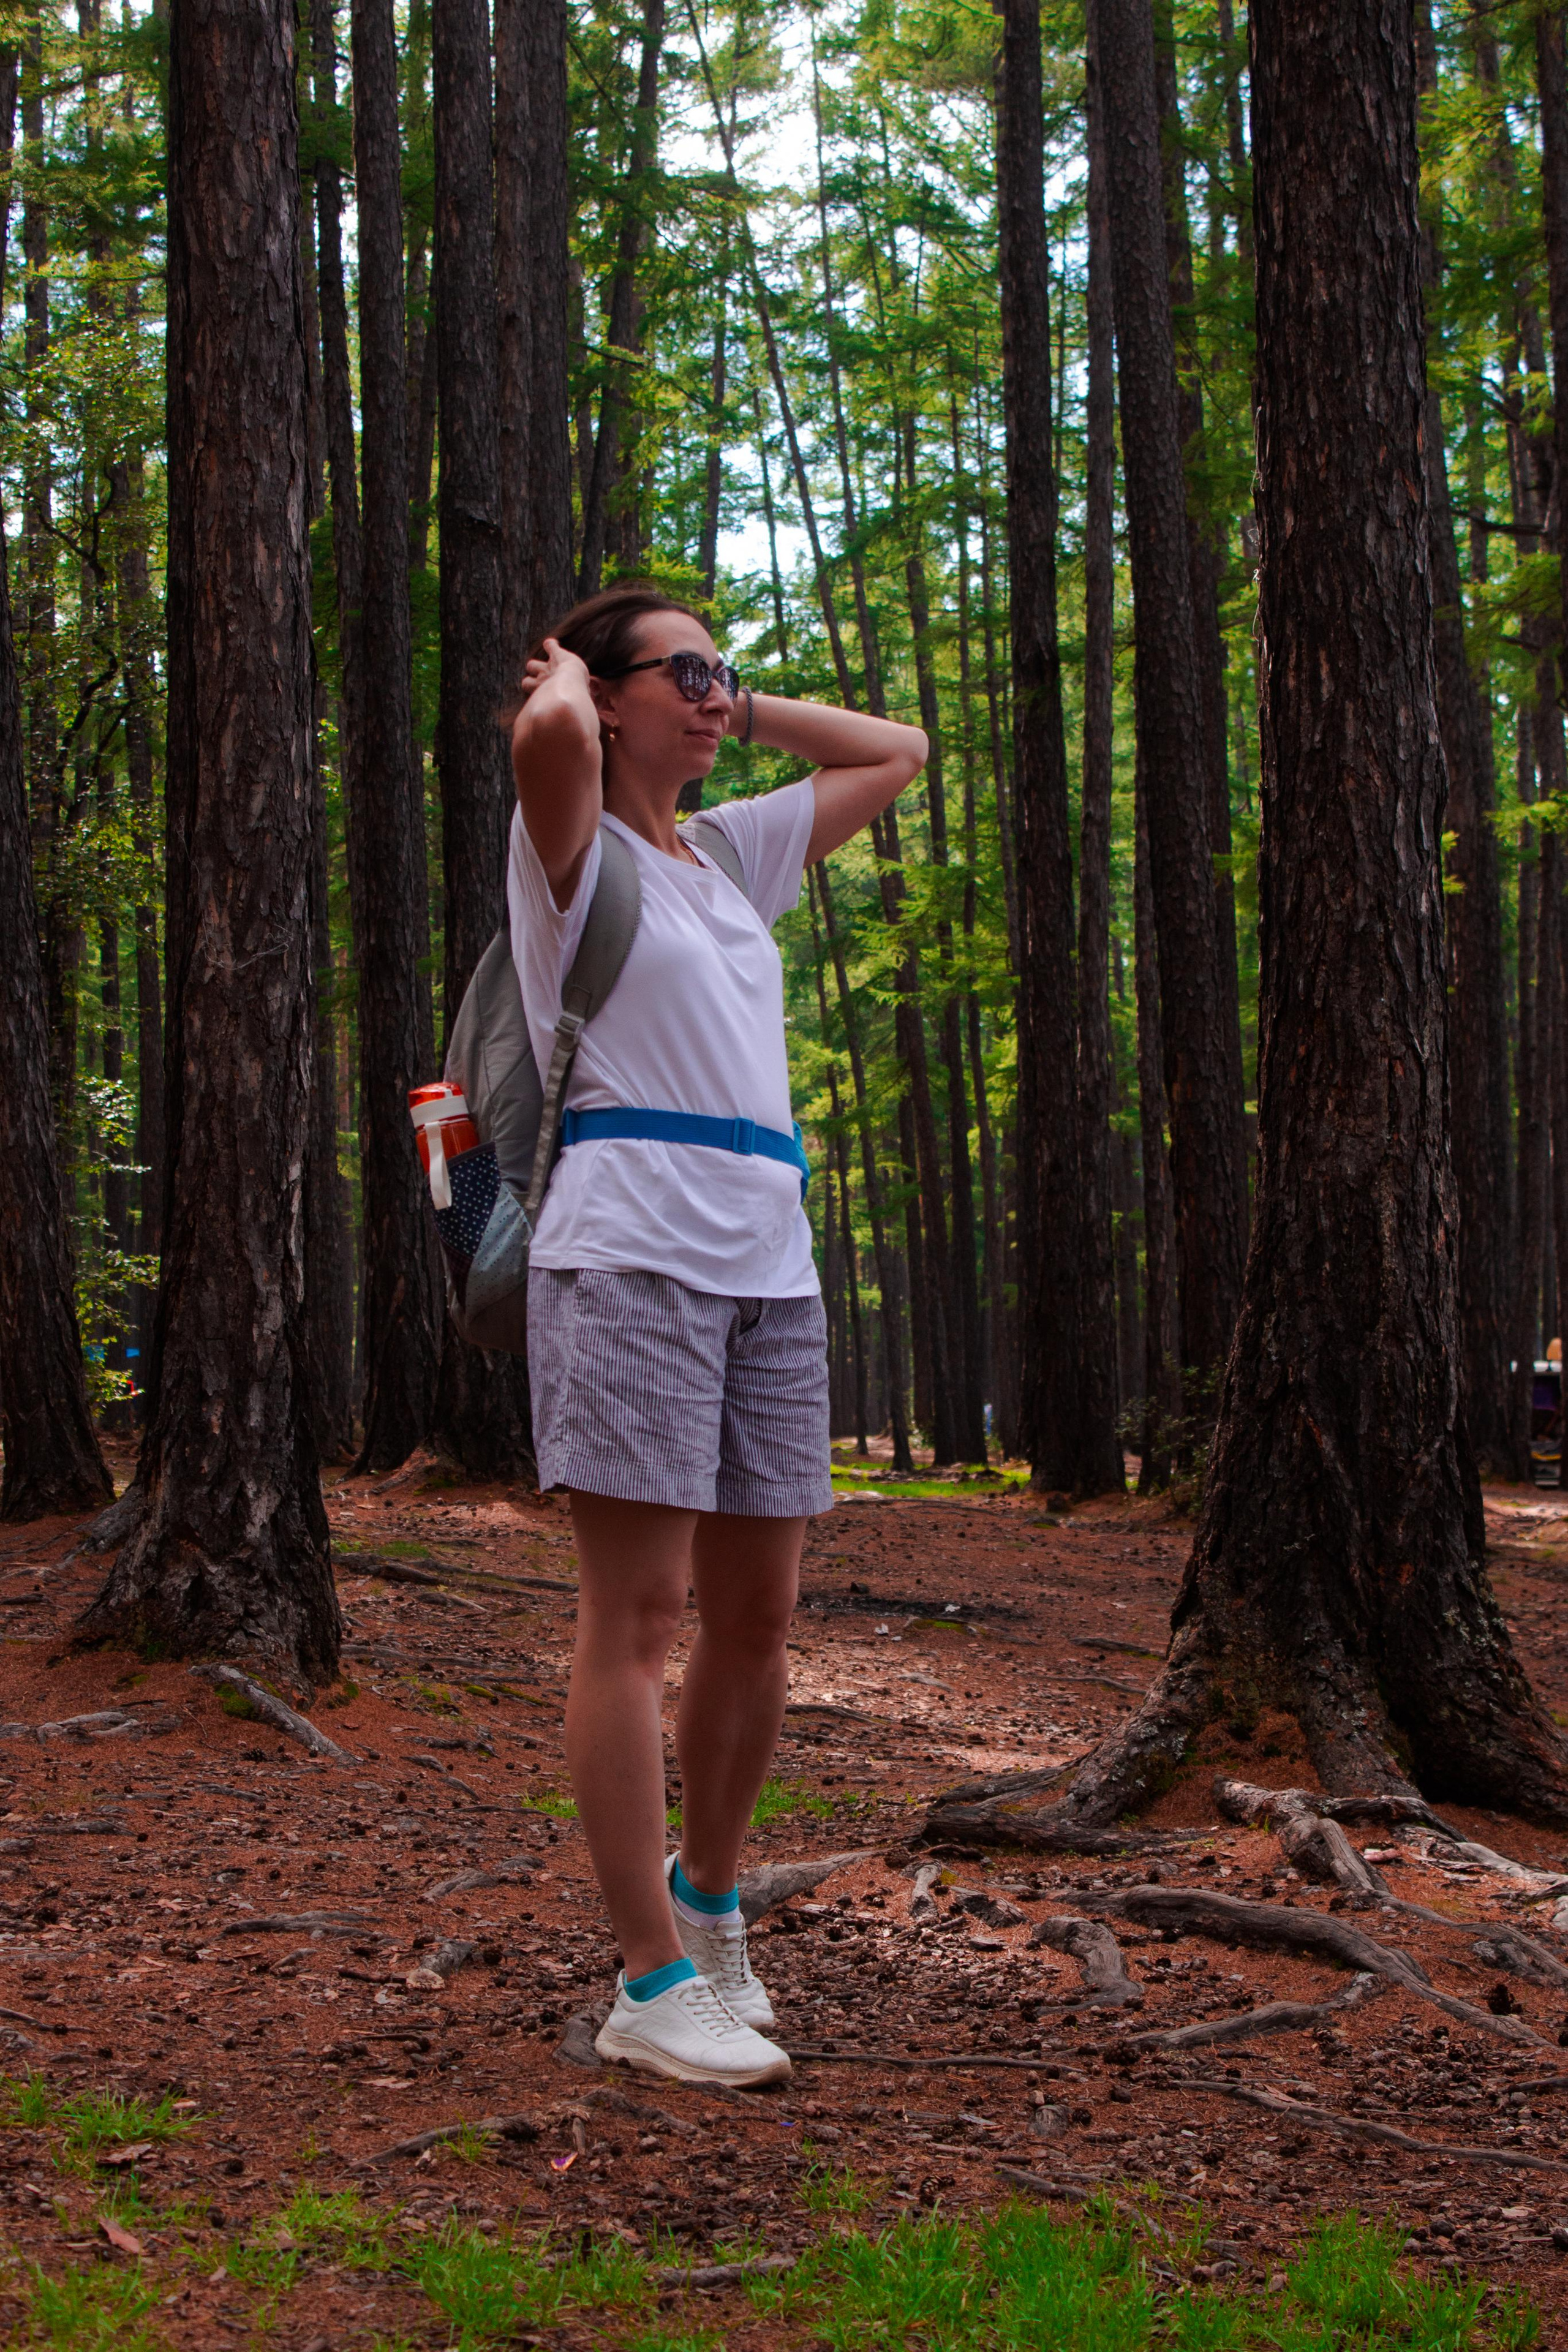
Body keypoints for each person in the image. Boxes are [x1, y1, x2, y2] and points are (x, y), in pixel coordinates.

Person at [508, 584, 927, 2086]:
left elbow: (896, 748)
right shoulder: (571, 848)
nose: (708, 691)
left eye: (720, 672)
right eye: (677, 673)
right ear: (606, 698)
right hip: (628, 1255)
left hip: (771, 1261)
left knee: (758, 1618)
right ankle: (645, 1978)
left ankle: (711, 1898)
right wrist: (568, 672)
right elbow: (548, 732)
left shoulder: (728, 854)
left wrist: (733, 706)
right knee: (636, 1620)